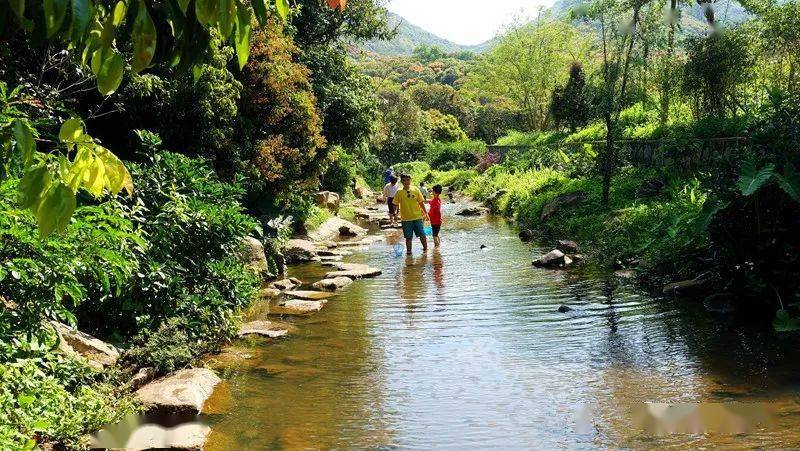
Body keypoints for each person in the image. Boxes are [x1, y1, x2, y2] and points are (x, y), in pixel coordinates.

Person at [393, 173, 429, 254]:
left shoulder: (415, 189)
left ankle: (426, 250)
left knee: (422, 235)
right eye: (404, 180)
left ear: (410, 180)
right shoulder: (399, 192)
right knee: (408, 237)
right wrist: (395, 214)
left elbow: (421, 202)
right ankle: (409, 253)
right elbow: (395, 204)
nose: (406, 182)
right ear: (401, 181)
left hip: (417, 217)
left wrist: (426, 213)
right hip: (406, 219)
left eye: (408, 180)